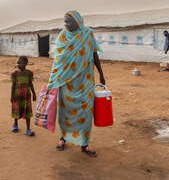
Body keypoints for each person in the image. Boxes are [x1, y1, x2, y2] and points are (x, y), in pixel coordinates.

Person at [48, 10, 105, 157]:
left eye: (69, 21)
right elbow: (58, 60)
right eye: (65, 21)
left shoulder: (87, 34)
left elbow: (94, 54)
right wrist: (53, 80)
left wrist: (101, 74)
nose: (66, 24)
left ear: (78, 22)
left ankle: (84, 144)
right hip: (67, 82)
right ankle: (63, 138)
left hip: (85, 81)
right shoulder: (62, 36)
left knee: (85, 113)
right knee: (65, 112)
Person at [11, 56, 37, 136]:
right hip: (17, 94)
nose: (18, 64)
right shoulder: (14, 73)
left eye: (20, 62)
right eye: (18, 62)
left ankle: (28, 129)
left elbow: (30, 84)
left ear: (25, 64)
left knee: (27, 110)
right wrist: (12, 96)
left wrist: (34, 93)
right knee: (16, 109)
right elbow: (13, 85)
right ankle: (15, 124)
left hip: (26, 95)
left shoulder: (29, 73)